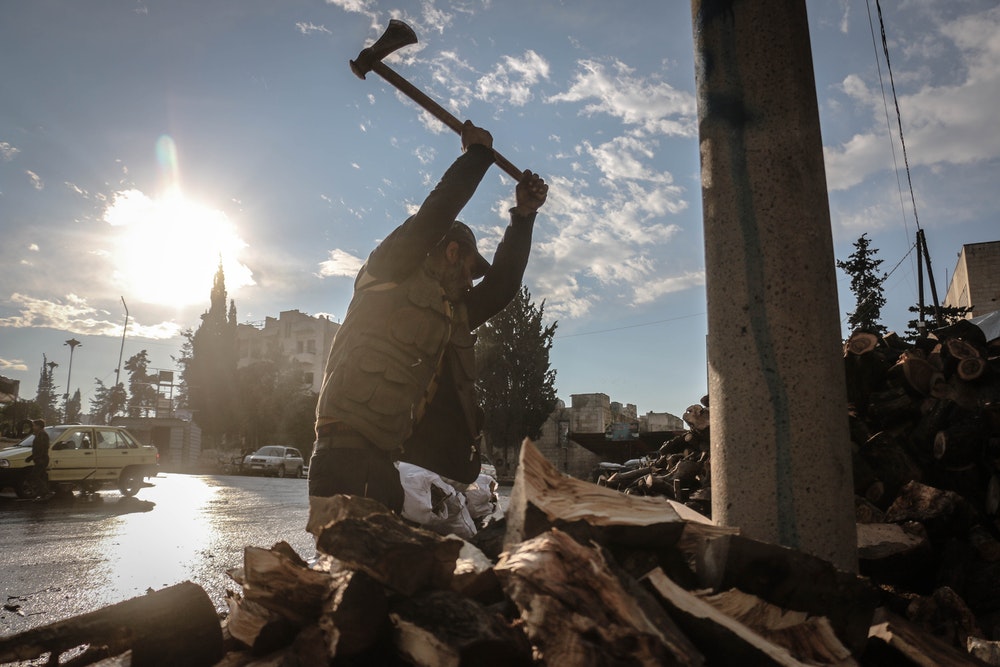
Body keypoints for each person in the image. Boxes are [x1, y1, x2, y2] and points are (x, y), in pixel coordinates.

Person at [309, 120, 548, 513]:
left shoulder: (450, 311)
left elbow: (502, 287)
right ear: (452, 253)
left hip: (388, 463)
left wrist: (522, 216)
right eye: (471, 269)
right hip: (343, 457)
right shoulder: (386, 273)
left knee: (389, 572)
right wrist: (477, 156)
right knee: (347, 564)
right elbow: (433, 217)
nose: (471, 284)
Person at [24, 419, 50, 497]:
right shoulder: (39, 434)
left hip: (42, 459)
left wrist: (37, 458)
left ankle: (45, 491)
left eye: (34, 425)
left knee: (35, 476)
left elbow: (43, 448)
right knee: (41, 476)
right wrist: (31, 457)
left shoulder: (42, 434)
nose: (33, 427)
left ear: (39, 426)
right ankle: (42, 494)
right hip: (40, 458)